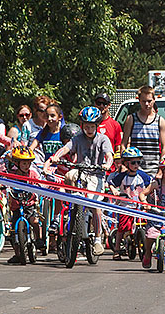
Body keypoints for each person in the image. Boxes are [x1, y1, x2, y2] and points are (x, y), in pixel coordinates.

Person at [44, 106, 114, 256]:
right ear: (82, 126)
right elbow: (66, 148)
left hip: (97, 174)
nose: (89, 129)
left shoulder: (103, 139)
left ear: (97, 126)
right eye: (86, 126)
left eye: (92, 126)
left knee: (95, 205)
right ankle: (73, 202)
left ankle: (97, 239)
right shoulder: (78, 138)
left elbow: (109, 154)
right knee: (69, 175)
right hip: (80, 172)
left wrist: (107, 163)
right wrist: (56, 156)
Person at [1, 147, 43, 264]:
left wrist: (40, 188)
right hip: (16, 206)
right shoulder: (12, 175)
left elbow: (40, 184)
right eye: (24, 163)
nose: (26, 166)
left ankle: (38, 239)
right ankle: (17, 254)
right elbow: (2, 181)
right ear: (17, 163)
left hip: (29, 204)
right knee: (13, 231)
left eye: (29, 163)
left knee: (34, 221)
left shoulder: (32, 174)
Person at [108, 147, 152, 260]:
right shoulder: (123, 176)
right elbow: (112, 183)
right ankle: (117, 249)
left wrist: (149, 193)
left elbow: (151, 184)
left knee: (145, 225)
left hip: (139, 206)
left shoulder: (142, 175)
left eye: (138, 162)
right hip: (125, 206)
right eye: (133, 162)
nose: (136, 165)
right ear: (126, 163)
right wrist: (114, 190)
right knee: (122, 228)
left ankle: (148, 248)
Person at [122, 85, 165, 176]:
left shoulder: (160, 120)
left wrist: (161, 169)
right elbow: (123, 143)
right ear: (139, 101)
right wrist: (125, 163)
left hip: (154, 169)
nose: (147, 104)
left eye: (149, 101)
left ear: (154, 100)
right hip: (134, 169)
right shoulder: (131, 119)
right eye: (144, 101)